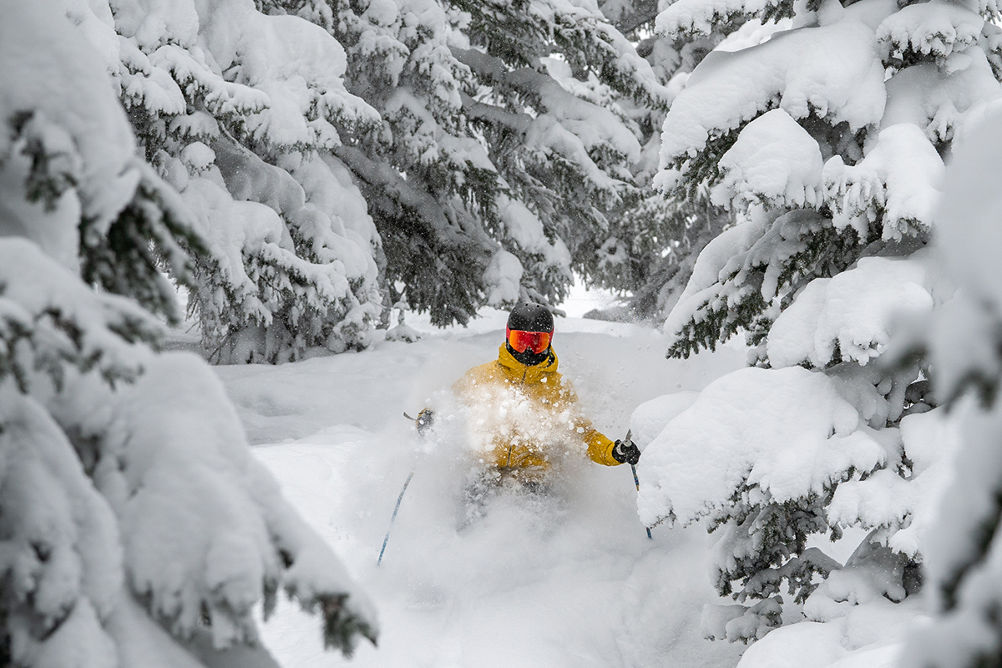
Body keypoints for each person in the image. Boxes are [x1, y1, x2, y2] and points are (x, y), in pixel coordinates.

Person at [415, 302, 640, 494]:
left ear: (549, 342)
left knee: (534, 503)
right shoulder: (481, 377)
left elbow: (585, 437)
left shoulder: (557, 388)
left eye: (537, 343)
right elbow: (446, 408)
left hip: (533, 477)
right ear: (508, 337)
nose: (528, 351)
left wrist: (613, 452)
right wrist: (428, 419)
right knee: (473, 500)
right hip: (484, 470)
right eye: (520, 341)